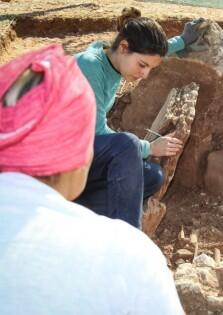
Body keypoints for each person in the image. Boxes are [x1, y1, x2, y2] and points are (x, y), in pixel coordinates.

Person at [0, 45, 184, 314]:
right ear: (80, 149)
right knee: (130, 149)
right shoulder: (131, 260)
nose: (143, 74)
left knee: (151, 175)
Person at [74, 7, 205, 229]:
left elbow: (151, 54)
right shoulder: (91, 66)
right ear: (124, 47)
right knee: (128, 145)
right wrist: (149, 148)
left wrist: (182, 40)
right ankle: (128, 240)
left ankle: (77, 208)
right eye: (142, 66)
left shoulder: (115, 59)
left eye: (150, 68)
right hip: (58, 161)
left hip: (82, 162)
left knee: (153, 176)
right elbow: (94, 133)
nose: (145, 74)